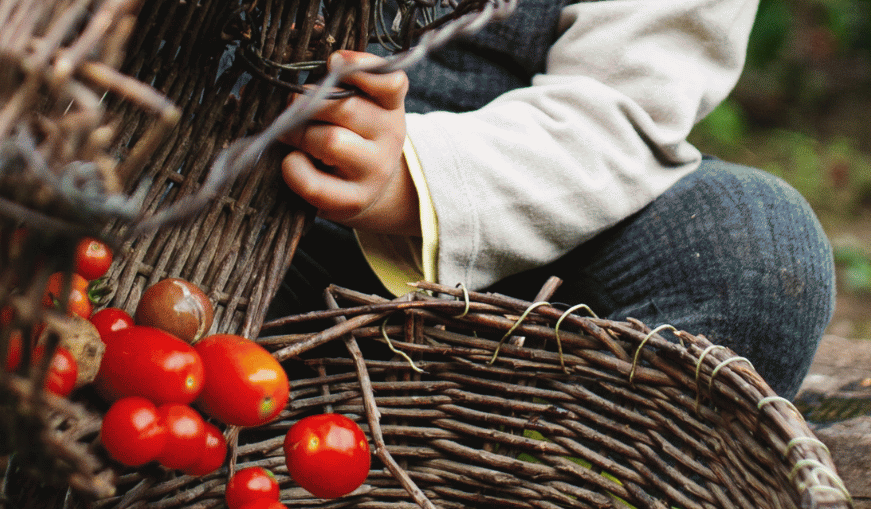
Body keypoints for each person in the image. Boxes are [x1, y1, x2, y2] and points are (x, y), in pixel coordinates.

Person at [270, 0, 829, 395]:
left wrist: (405, 179)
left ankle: (526, 490)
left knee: (754, 252)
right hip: (257, 197)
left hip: (525, 211)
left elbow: (622, 101)